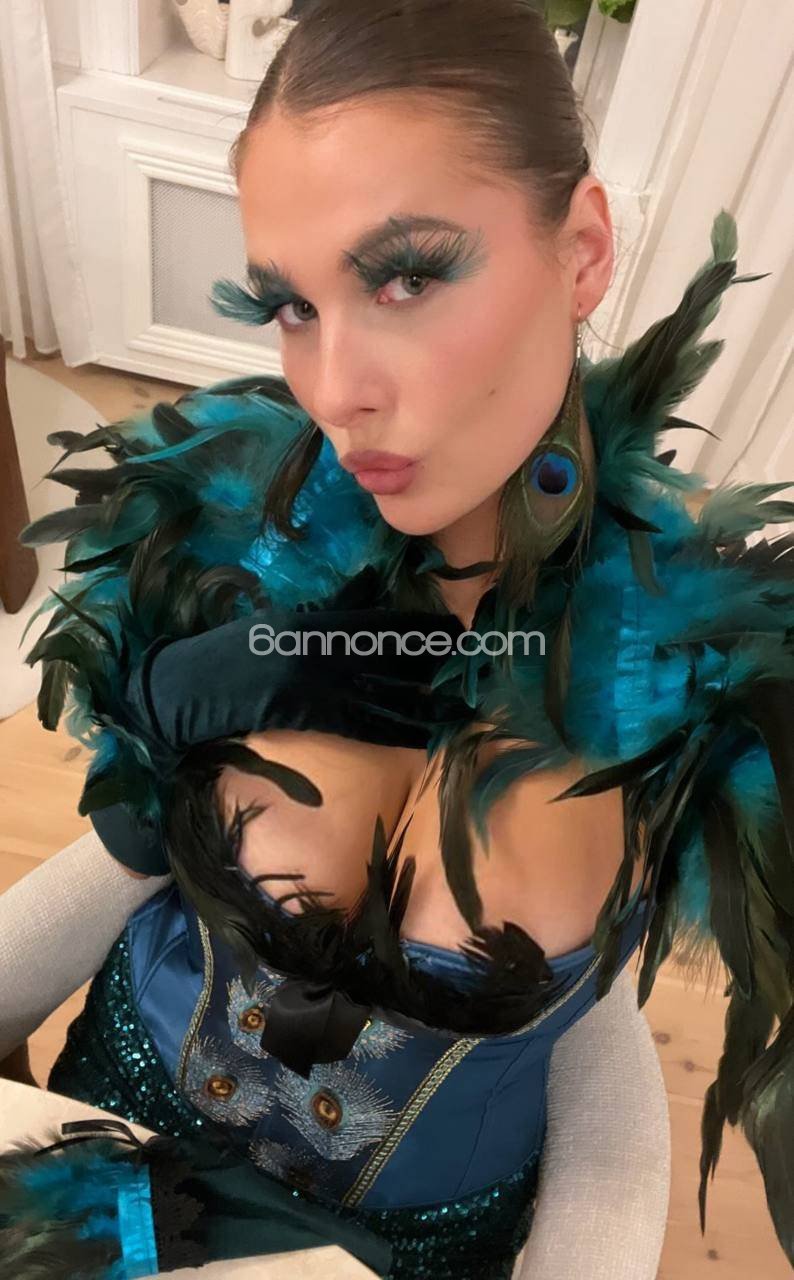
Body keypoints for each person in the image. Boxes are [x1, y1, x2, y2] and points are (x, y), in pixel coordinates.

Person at [1, 1, 793, 1276]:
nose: (333, 389)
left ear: (582, 249)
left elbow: (586, 1037)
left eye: (406, 277)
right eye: (291, 304)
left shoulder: (692, 671)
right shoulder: (229, 551)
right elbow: (122, 861)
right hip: (111, 1183)